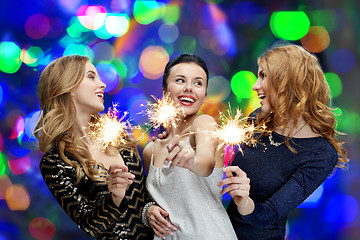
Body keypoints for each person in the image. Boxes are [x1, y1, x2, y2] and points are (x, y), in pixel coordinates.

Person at [218, 44, 348, 239]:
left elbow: (266, 215)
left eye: (263, 76)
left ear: (287, 82)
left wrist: (244, 200)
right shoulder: (258, 120)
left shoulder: (321, 154)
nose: (255, 86)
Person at [34, 55, 154, 239]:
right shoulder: (55, 162)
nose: (103, 84)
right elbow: (90, 226)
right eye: (91, 77)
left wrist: (161, 151)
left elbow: (146, 196)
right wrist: (114, 198)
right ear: (69, 87)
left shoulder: (118, 136)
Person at [142, 54, 237, 239]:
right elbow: (159, 201)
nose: (189, 88)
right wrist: (148, 210)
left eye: (198, 83)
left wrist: (191, 161)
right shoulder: (150, 151)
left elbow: (206, 163)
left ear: (204, 96)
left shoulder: (205, 124)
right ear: (164, 90)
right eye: (180, 80)